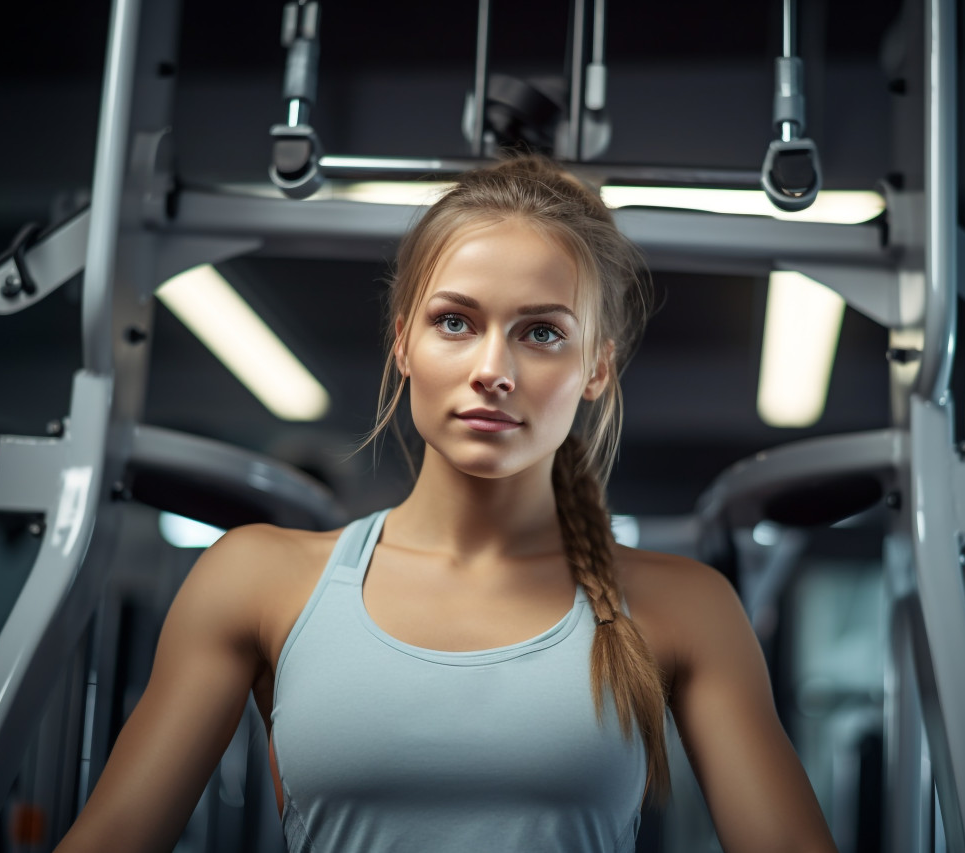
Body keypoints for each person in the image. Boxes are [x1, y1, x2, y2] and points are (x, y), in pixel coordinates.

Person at [55, 155, 837, 852]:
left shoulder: (683, 606)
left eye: (540, 333)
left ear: (597, 367)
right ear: (404, 341)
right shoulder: (258, 579)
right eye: (455, 322)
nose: (492, 368)